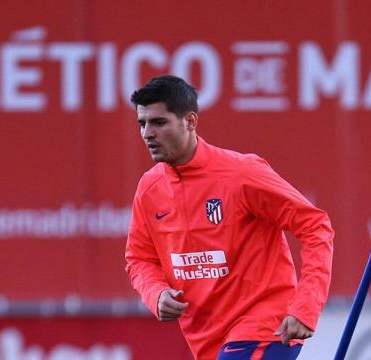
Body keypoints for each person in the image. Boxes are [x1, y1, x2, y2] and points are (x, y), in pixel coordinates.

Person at [124, 75, 334, 360]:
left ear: (190, 122)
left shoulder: (241, 173)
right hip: (207, 340)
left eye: (159, 123)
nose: (148, 133)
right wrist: (156, 294)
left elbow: (315, 226)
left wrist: (306, 306)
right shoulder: (149, 189)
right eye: (142, 124)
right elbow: (139, 259)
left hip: (266, 326)